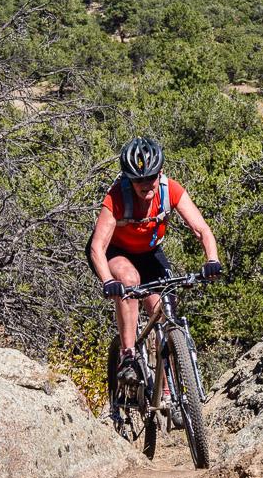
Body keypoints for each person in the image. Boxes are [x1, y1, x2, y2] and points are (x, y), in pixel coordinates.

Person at [86, 137, 221, 384]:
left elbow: (202, 229)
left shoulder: (170, 190)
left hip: (148, 253)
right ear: (128, 179)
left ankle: (172, 389)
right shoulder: (117, 197)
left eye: (150, 178)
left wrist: (212, 259)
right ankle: (128, 356)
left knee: (163, 308)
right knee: (129, 280)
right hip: (115, 253)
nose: (145, 184)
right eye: (138, 180)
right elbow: (97, 246)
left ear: (160, 174)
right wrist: (107, 280)